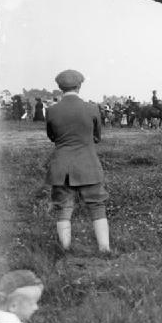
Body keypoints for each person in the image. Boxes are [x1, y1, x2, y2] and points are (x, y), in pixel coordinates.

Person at [45, 69, 111, 254]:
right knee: (97, 206)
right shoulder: (92, 108)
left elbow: (52, 136)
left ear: (59, 87)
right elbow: (97, 137)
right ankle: (105, 249)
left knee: (63, 208)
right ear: (79, 85)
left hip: (60, 166)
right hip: (88, 165)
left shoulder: (51, 110)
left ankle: (65, 250)